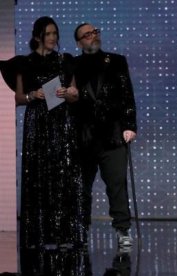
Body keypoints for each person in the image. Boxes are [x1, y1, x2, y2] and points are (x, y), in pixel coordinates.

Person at [1, 16, 87, 249]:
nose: (52, 38)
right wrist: (33, 95)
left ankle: (65, 235)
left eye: (55, 34)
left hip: (62, 123)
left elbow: (75, 94)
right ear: (38, 36)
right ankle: (38, 236)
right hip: (37, 123)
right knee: (38, 176)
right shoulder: (24, 63)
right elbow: (19, 98)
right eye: (48, 34)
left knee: (63, 174)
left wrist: (67, 92)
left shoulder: (65, 61)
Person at [73, 23, 137, 247]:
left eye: (95, 32)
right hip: (84, 136)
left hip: (112, 134)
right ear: (79, 42)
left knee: (117, 184)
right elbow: (63, 98)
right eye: (87, 35)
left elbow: (127, 95)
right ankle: (81, 230)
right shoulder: (73, 65)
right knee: (82, 187)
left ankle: (122, 229)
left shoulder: (116, 61)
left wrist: (130, 125)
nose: (93, 37)